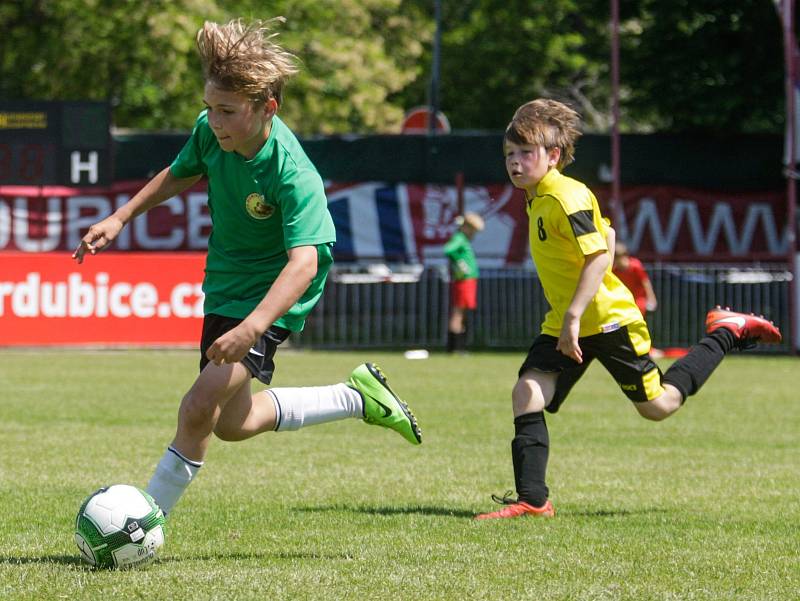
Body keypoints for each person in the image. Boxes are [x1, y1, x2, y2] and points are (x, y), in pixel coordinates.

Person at [73, 18, 421, 517]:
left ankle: (145, 524)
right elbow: (181, 172)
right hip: (225, 287)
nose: (215, 121)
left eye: (228, 112)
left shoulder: (293, 173)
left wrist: (255, 325)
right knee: (231, 424)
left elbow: (305, 262)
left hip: (272, 293)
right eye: (210, 108)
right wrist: (122, 216)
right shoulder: (211, 131)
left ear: (267, 108)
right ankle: (356, 399)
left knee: (196, 408)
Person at [475, 98, 782, 520]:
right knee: (527, 391)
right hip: (571, 321)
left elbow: (600, 256)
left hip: (608, 320)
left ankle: (726, 331)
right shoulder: (538, 196)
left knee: (658, 408)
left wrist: (573, 315)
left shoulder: (566, 195)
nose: (514, 162)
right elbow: (611, 235)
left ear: (554, 156)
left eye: (525, 153)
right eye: (509, 154)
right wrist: (569, 317)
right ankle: (532, 501)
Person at [443, 212, 484, 352]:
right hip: (464, 281)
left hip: (468, 281)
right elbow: (448, 250)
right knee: (458, 313)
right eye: (472, 230)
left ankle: (459, 347)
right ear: (466, 227)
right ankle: (454, 348)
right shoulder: (459, 238)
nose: (473, 234)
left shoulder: (462, 239)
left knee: (462, 313)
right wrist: (460, 264)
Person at [612, 241, 657, 318]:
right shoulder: (615, 270)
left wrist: (651, 298)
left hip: (639, 300)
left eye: (617, 257)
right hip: (625, 300)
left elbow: (646, 282)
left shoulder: (635, 266)